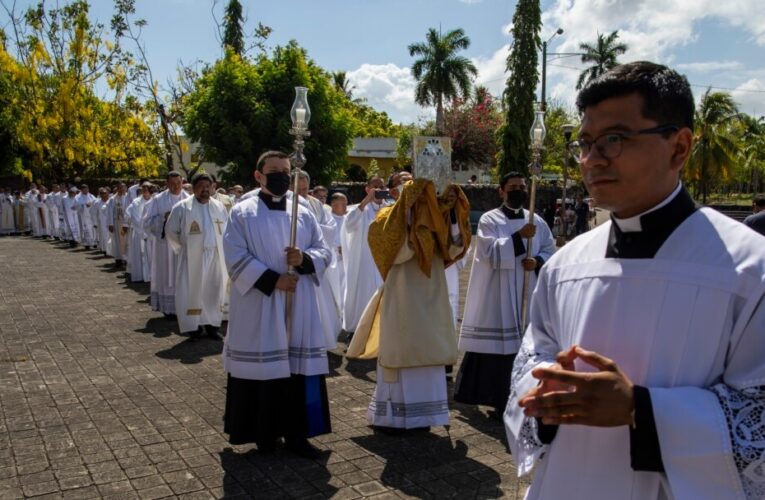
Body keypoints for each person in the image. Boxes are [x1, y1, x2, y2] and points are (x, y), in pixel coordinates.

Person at [505, 61, 765, 499]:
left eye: (614, 140)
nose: (592, 159)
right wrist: (541, 392)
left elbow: (756, 420)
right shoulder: (565, 265)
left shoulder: (748, 268)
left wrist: (640, 410)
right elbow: (531, 359)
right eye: (585, 143)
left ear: (679, 147)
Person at [222, 150, 333, 458]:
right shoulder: (242, 212)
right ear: (258, 176)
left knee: (296, 370)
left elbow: (324, 250)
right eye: (275, 171)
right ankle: (264, 435)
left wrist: (305, 259)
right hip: (262, 303)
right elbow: (234, 256)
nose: (283, 176)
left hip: (298, 302)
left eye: (286, 170)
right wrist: (273, 280)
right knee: (265, 371)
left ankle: (299, 436)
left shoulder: (304, 211)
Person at [347, 179, 471, 431]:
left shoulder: (436, 216)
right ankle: (392, 418)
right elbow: (392, 252)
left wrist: (453, 211)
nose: (411, 187)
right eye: (404, 183)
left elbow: (454, 247)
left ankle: (426, 417)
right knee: (401, 349)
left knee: (430, 348)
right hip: (402, 295)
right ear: (394, 191)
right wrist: (409, 216)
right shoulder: (386, 216)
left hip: (432, 293)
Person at [454, 172, 556, 414]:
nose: (518, 190)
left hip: (527, 289)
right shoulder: (491, 219)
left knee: (526, 345)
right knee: (499, 349)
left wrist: (538, 261)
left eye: (522, 186)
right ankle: (498, 400)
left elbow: (550, 249)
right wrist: (519, 237)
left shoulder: (537, 221)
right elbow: (488, 253)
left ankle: (525, 397)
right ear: (501, 191)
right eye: (513, 187)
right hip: (498, 293)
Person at [165, 173, 228, 339]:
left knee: (213, 291)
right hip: (193, 257)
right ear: (193, 188)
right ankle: (194, 327)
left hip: (215, 255)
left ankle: (212, 325)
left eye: (208, 186)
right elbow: (170, 231)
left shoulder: (219, 207)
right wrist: (183, 249)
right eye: (201, 186)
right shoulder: (182, 207)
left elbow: (226, 230)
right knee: (192, 291)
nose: (205, 190)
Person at [291, 171, 341, 348]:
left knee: (321, 306)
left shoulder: (316, 204)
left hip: (313, 260)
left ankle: (321, 339)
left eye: (305, 189)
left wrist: (313, 229)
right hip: (294, 259)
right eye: (299, 189)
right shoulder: (286, 203)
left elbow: (330, 226)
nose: (303, 193)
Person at [340, 176, 386, 338]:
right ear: (367, 189)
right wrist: (365, 202)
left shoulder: (390, 209)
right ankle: (358, 331)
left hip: (383, 262)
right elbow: (349, 225)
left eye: (382, 186)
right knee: (362, 295)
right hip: (364, 262)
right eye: (376, 186)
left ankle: (381, 332)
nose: (380, 189)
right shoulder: (359, 209)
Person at [143, 171, 190, 319]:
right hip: (164, 246)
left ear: (182, 183)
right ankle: (167, 308)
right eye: (172, 183)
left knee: (182, 276)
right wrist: (163, 219)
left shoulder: (189, 199)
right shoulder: (158, 200)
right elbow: (147, 222)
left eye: (178, 183)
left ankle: (183, 305)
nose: (176, 186)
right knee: (166, 275)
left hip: (183, 246)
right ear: (167, 183)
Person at [326, 193, 348, 320]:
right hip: (334, 262)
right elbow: (327, 240)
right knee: (335, 290)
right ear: (333, 205)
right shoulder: (328, 220)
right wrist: (338, 249)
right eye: (343, 204)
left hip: (347, 261)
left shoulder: (348, 218)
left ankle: (344, 316)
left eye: (346, 203)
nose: (346, 207)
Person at [125, 183, 153, 282]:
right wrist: (143, 232)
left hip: (151, 233)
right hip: (138, 233)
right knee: (138, 255)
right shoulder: (136, 202)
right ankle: (139, 276)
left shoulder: (155, 201)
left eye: (147, 189)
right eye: (143, 189)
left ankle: (150, 276)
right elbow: (135, 218)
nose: (145, 191)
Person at [75, 185, 97, 249]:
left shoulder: (91, 196)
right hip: (83, 216)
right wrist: (85, 205)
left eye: (87, 189)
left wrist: (91, 204)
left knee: (93, 229)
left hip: (91, 215)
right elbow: (76, 205)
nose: (86, 190)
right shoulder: (78, 197)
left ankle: (94, 242)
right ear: (81, 190)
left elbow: (96, 202)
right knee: (86, 229)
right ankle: (87, 244)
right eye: (84, 189)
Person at [92, 188, 112, 255]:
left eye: (105, 193)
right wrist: (95, 222)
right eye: (102, 193)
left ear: (108, 194)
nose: (104, 195)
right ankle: (105, 250)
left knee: (110, 236)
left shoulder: (111, 201)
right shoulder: (97, 202)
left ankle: (111, 250)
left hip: (111, 222)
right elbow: (93, 213)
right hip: (101, 222)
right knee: (103, 236)